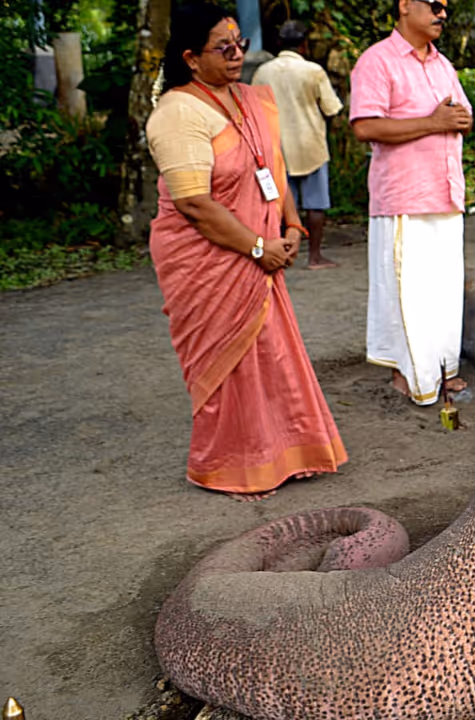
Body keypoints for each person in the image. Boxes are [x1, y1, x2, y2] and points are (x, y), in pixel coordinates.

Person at [146, 3, 347, 499]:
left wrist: (293, 225)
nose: (237, 55)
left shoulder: (246, 99)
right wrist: (259, 247)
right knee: (230, 364)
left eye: (239, 44)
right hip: (208, 260)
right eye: (224, 48)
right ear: (192, 58)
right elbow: (194, 203)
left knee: (270, 354)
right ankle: (226, 464)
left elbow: (270, 169)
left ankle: (282, 454)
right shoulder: (178, 112)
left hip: (258, 252)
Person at [350, 0, 473, 406]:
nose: (443, 14)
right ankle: (408, 375)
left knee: (444, 289)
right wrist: (433, 123)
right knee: (408, 291)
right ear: (405, 5)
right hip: (405, 196)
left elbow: (462, 114)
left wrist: (458, 120)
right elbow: (365, 126)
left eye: (446, 7)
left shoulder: (442, 65)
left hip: (446, 191)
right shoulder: (377, 61)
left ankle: (442, 370)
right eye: (435, 4)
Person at [252, 19, 344, 269]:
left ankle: (281, 254)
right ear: (304, 45)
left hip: (276, 145)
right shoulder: (313, 71)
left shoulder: (263, 72)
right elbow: (331, 107)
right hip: (310, 143)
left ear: (280, 43)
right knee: (316, 204)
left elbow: (254, 111)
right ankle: (314, 256)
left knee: (279, 203)